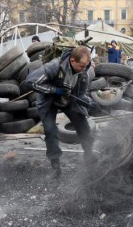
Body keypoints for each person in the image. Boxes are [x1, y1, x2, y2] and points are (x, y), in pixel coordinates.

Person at [24, 46, 95, 178]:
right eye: (81, 66)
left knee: (83, 125)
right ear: (72, 60)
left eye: (86, 66)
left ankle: (89, 156)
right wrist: (54, 90)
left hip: (68, 99)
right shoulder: (54, 66)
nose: (84, 69)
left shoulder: (84, 71)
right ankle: (55, 167)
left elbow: (80, 93)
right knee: (50, 131)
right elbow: (30, 82)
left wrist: (87, 101)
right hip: (49, 100)